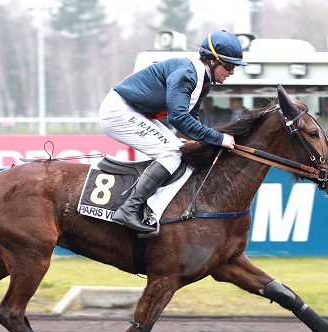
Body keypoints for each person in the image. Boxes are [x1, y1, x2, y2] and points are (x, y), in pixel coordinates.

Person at [99, 30, 247, 232]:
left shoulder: (203, 80)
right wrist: (217, 137)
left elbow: (191, 118)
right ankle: (129, 209)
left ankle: (152, 208)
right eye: (229, 66)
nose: (231, 72)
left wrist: (208, 142)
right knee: (170, 153)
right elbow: (178, 118)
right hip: (119, 110)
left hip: (134, 110)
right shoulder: (188, 73)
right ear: (212, 61)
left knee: (178, 149)